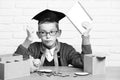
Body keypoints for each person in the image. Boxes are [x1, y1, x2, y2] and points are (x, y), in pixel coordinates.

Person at [13, 9, 92, 72]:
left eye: (52, 32)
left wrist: (86, 38)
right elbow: (15, 62)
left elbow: (85, 63)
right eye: (43, 32)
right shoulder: (33, 48)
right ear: (38, 34)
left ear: (59, 33)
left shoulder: (67, 49)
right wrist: (28, 40)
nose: (48, 36)